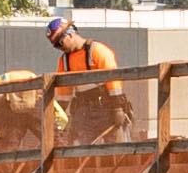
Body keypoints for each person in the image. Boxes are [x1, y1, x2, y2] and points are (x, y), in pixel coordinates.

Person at [43, 15, 134, 144]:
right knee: (84, 148)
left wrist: (117, 109)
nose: (59, 47)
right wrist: (59, 117)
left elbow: (114, 82)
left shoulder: (97, 51)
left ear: (70, 35)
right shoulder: (64, 61)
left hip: (107, 109)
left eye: (59, 42)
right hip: (84, 112)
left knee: (115, 147)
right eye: (55, 45)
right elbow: (64, 94)